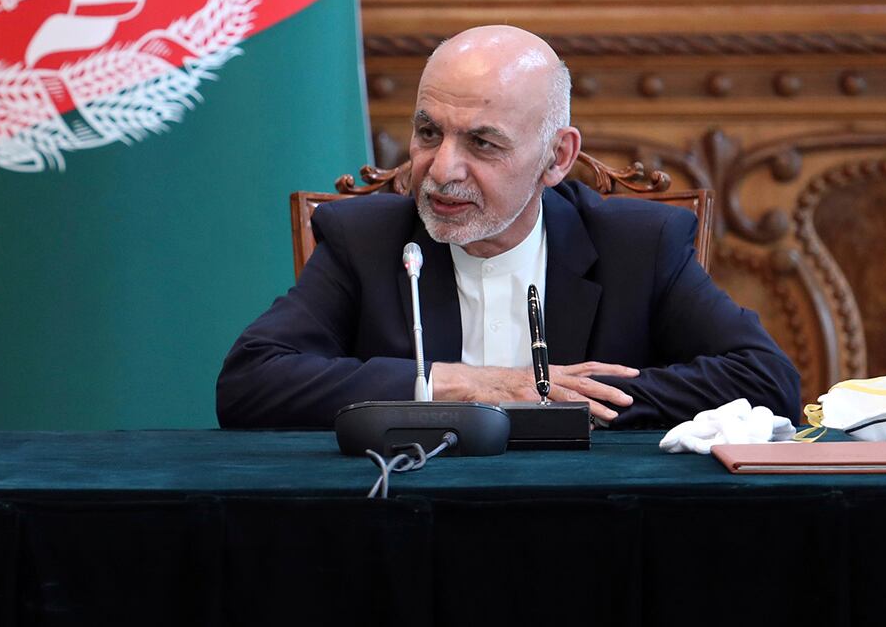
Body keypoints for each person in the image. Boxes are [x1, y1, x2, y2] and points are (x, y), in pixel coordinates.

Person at [216, 25, 799, 429]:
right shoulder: (365, 240)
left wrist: (558, 401)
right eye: (427, 133)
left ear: (557, 158)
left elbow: (768, 381)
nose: (441, 171)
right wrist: (462, 386)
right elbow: (250, 381)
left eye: (482, 143)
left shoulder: (637, 244)